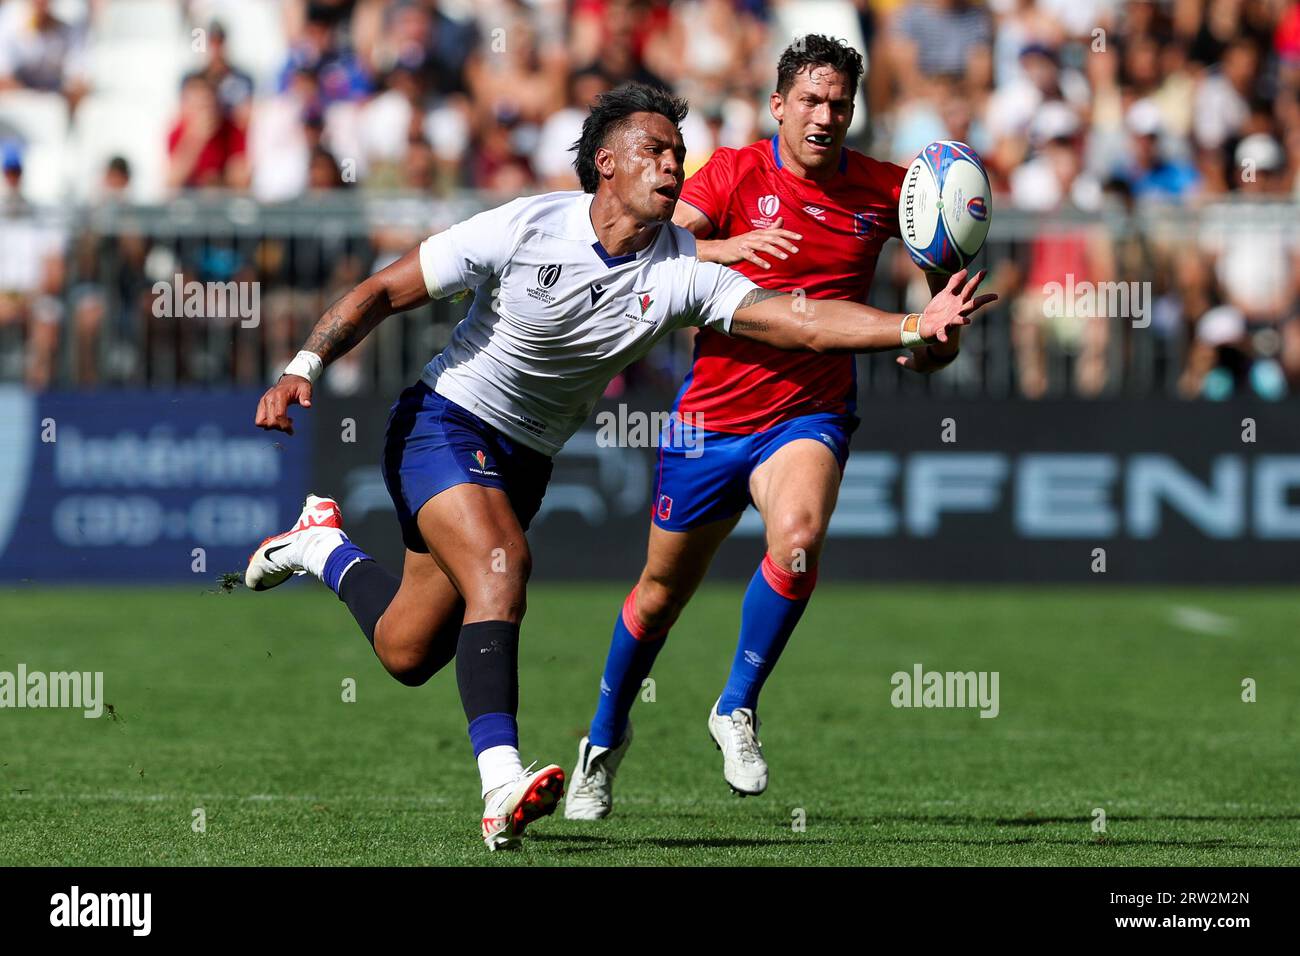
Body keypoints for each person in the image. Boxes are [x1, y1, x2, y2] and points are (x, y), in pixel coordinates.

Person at [245, 83, 994, 851]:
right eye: (655, 151)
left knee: (408, 651)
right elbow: (382, 288)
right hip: (442, 421)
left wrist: (913, 322)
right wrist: (305, 363)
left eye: (678, 153)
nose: (674, 166)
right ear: (605, 164)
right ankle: (501, 783)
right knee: (503, 570)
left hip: (524, 459)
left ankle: (319, 545)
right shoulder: (528, 225)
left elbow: (798, 322)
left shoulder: (681, 271)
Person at [565, 36, 966, 819]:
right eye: (811, 101)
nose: (825, 116)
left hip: (809, 412)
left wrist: (933, 344)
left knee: (798, 539)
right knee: (656, 598)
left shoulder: (891, 191)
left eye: (839, 104)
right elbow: (645, 248)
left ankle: (736, 706)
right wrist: (724, 247)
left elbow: (932, 338)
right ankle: (603, 742)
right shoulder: (731, 174)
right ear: (777, 105)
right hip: (706, 418)